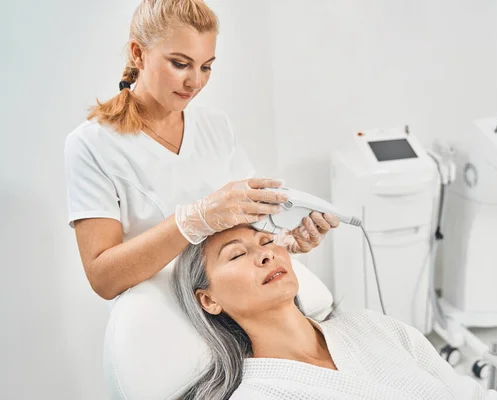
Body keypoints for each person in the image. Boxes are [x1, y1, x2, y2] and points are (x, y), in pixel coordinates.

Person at [64, 0, 338, 301]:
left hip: (231, 303)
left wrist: (284, 238)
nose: (195, 82)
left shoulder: (215, 126)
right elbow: (103, 278)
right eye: (180, 64)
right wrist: (192, 221)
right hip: (162, 313)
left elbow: (248, 225)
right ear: (138, 54)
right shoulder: (92, 144)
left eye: (206, 66)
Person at [172, 224, 497, 400]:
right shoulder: (258, 395)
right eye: (236, 255)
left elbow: (472, 395)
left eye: (266, 241)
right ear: (209, 300)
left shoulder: (372, 326)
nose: (265, 255)